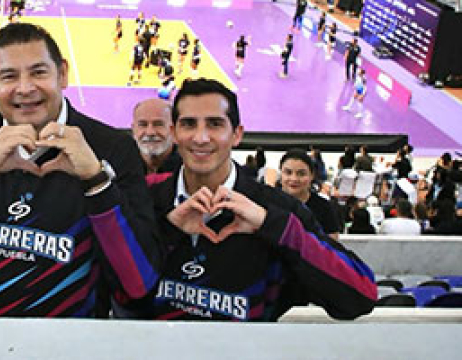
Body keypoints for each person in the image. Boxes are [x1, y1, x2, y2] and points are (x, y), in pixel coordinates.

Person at [0, 23, 158, 317]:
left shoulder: (112, 147)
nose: (25, 88)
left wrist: (96, 181)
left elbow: (138, 285)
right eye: (9, 76)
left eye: (39, 72)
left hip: (66, 339)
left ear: (62, 74)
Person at [130, 78, 376, 321]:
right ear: (174, 133)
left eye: (215, 124)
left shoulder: (278, 211)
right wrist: (167, 231)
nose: (201, 137)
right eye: (189, 124)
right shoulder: (143, 199)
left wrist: (272, 226)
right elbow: (123, 296)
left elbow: (360, 296)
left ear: (237, 135)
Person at [278, 150, 341, 240]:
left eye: (301, 174)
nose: (294, 179)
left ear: (312, 176)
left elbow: (332, 243)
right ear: (280, 174)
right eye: (288, 172)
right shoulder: (270, 204)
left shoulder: (324, 207)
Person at [132, 98, 179, 182]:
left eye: (158, 124)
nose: (150, 132)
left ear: (174, 129)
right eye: (143, 125)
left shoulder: (188, 167)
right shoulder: (120, 167)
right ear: (133, 129)